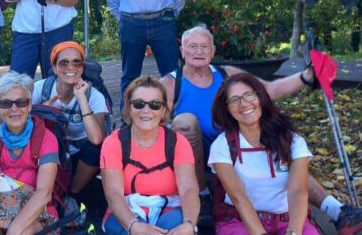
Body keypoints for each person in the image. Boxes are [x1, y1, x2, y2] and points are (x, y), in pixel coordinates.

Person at [161, 25, 362, 233]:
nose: (198, 51)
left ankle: (338, 211)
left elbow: (268, 90)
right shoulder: (170, 83)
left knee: (286, 161)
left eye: (204, 46)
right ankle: (203, 197)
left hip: (240, 144)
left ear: (213, 51)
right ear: (182, 51)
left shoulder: (226, 74)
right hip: (198, 158)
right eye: (192, 46)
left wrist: (307, 76)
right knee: (185, 121)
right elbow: (154, 123)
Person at [209, 73, 319, 235]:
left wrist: (293, 232)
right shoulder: (222, 145)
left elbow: (298, 191)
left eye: (249, 95)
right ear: (227, 108)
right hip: (239, 221)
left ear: (260, 97)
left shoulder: (292, 141)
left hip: (288, 219)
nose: (244, 104)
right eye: (234, 100)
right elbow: (238, 197)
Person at [100, 75, 200, 235]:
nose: (146, 110)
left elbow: (189, 188)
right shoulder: (114, 142)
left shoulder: (177, 142)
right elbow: (113, 193)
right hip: (128, 211)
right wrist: (133, 225)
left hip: (169, 209)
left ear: (163, 111)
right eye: (138, 104)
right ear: (129, 108)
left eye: (155, 105)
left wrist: (189, 224)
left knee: (177, 227)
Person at [0, 71, 60, 235]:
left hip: (38, 213)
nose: (14, 109)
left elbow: (44, 192)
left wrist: (14, 230)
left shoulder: (47, 138)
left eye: (21, 102)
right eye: (6, 103)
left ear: (30, 105)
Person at [32, 41, 108, 195]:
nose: (70, 68)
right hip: (50, 150)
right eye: (63, 63)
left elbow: (96, 139)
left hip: (80, 155)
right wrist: (43, 112)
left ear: (83, 67)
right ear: (54, 68)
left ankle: (72, 194)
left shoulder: (93, 95)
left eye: (77, 63)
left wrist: (82, 100)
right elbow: (22, 128)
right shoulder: (40, 88)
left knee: (97, 148)